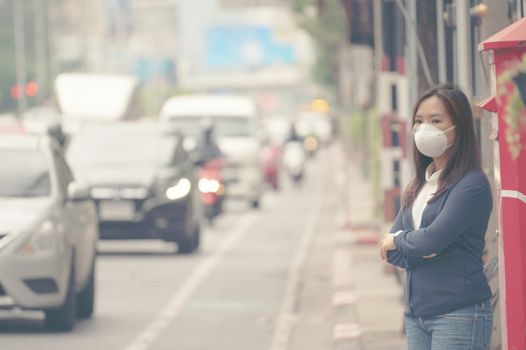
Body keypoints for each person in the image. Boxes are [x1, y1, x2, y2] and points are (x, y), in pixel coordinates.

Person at [379, 85, 494, 350]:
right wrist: (415, 243)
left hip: (458, 314)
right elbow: (392, 252)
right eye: (419, 121)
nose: (424, 128)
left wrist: (409, 242)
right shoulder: (420, 185)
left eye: (435, 120)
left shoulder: (471, 186)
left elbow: (430, 241)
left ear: (459, 126)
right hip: (418, 315)